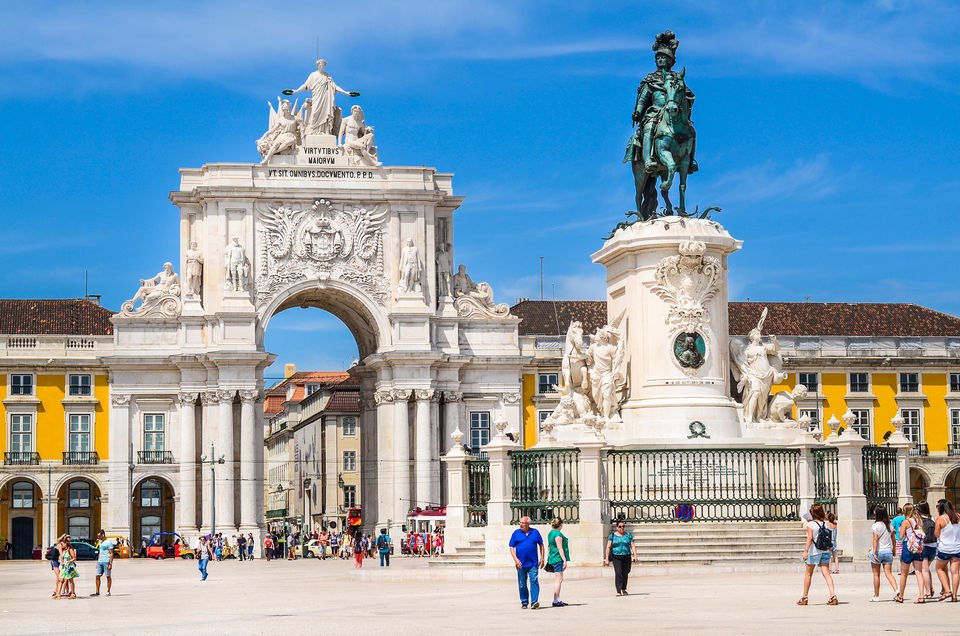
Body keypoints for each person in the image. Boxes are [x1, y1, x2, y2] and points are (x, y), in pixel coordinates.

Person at [798, 503, 838, 606]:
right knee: (826, 574)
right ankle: (833, 595)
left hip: (814, 552)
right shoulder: (826, 523)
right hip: (825, 551)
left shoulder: (811, 524)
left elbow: (810, 539)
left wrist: (805, 551)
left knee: (808, 574)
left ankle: (804, 597)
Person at [509, 516, 544, 610]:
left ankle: (534, 601)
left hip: (533, 563)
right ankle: (524, 602)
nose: (520, 524)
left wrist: (542, 558)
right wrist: (516, 560)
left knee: (534, 581)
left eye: (522, 523)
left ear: (528, 524)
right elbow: (511, 547)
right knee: (522, 583)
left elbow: (541, 544)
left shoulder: (535, 532)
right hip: (521, 563)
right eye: (519, 522)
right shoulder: (516, 533)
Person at [896, 503, 926, 603]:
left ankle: (901, 596)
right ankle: (922, 596)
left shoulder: (906, 522)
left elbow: (900, 537)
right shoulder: (919, 520)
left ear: (905, 511)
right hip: (918, 548)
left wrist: (902, 530)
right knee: (918, 572)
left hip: (908, 547)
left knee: (904, 573)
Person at [869, 505, 898, 602]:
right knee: (889, 573)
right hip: (888, 551)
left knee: (876, 575)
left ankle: (876, 596)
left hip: (879, 551)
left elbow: (875, 539)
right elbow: (894, 539)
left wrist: (874, 552)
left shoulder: (875, 525)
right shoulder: (890, 525)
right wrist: (894, 550)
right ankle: (896, 590)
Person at [934, 499, 960, 601]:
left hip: (944, 548)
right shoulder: (958, 516)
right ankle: (954, 595)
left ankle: (947, 590)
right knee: (955, 572)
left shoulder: (940, 519)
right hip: (957, 548)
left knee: (939, 569)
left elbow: (936, 534)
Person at [604, 520, 638, 596]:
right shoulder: (612, 536)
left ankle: (623, 588)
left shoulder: (628, 535)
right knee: (618, 573)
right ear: (617, 527)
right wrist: (606, 558)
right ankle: (618, 590)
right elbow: (608, 547)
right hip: (616, 556)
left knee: (626, 573)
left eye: (623, 526)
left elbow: (632, 545)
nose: (622, 528)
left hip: (626, 556)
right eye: (620, 526)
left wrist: (635, 555)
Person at [546, 518, 570, 608]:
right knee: (558, 579)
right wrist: (564, 560)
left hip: (552, 557)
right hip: (557, 558)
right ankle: (556, 600)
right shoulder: (558, 534)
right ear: (560, 525)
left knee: (559, 579)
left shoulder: (550, 533)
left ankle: (558, 599)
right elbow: (560, 548)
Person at [918, 502, 938, 600]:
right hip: (933, 545)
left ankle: (928, 592)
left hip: (924, 546)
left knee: (924, 570)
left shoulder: (919, 520)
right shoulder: (932, 518)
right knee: (927, 569)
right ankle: (931, 587)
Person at [93, 529, 115, 597]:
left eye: (99, 536)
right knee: (97, 576)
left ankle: (108, 591)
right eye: (98, 536)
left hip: (106, 561)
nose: (98, 537)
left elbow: (111, 553)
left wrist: (110, 564)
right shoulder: (100, 542)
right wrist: (97, 562)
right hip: (100, 561)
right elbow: (100, 552)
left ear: (103, 535)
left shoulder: (109, 542)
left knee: (108, 576)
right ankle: (97, 591)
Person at [891, 507, 905, 573]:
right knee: (905, 554)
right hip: (905, 538)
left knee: (900, 555)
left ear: (896, 512)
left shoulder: (894, 519)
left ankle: (902, 569)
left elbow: (892, 528)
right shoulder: (904, 518)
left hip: (898, 538)